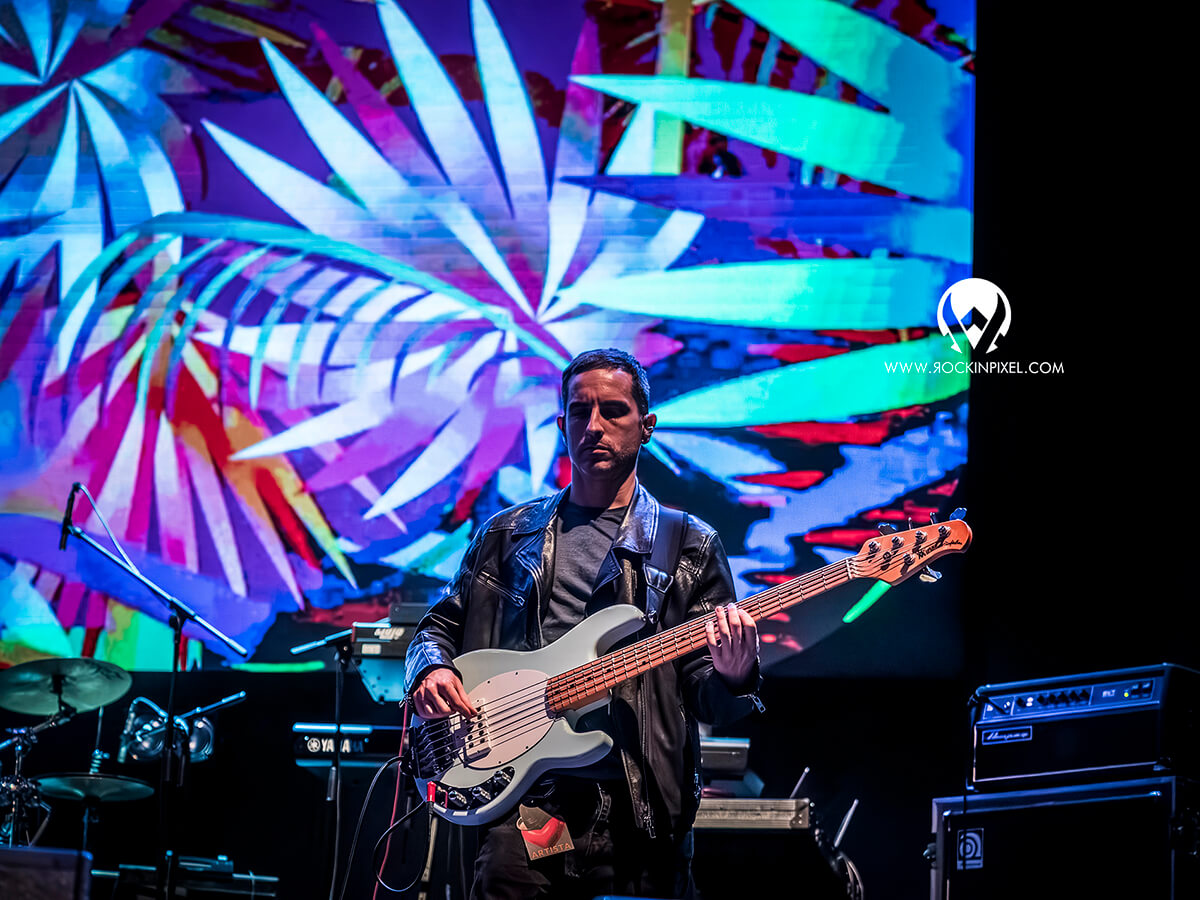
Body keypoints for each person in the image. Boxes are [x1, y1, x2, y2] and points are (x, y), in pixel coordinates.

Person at [404, 348, 762, 899]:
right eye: (579, 411)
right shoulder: (507, 536)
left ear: (646, 427)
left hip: (641, 813)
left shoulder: (688, 544)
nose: (594, 425)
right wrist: (430, 669)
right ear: (562, 424)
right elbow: (438, 628)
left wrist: (734, 674)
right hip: (532, 805)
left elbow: (706, 697)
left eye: (613, 411)